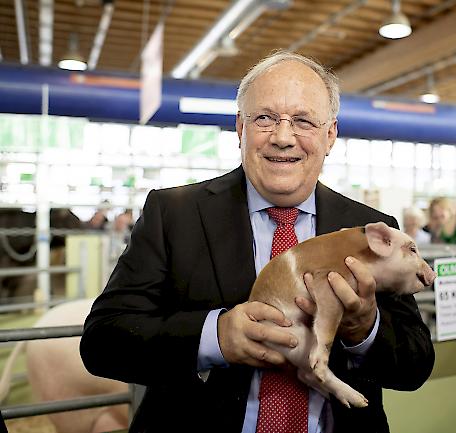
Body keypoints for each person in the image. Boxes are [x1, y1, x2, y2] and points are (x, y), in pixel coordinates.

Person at [80, 52, 434, 433]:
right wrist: (213, 337)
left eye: (303, 121)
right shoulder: (174, 214)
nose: (283, 138)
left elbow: (414, 366)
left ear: (330, 135)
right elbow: (104, 342)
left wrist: (365, 329)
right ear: (240, 128)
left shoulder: (371, 231)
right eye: (264, 118)